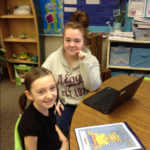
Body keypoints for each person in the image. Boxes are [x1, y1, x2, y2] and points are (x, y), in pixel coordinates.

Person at [42, 10, 102, 137]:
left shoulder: (92, 60)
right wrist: (52, 103)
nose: (72, 45)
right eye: (67, 40)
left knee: (90, 135)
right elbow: (41, 82)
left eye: (77, 41)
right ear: (63, 40)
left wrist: (84, 62)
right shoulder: (53, 59)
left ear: (85, 42)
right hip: (64, 104)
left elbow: (93, 87)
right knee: (57, 135)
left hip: (86, 103)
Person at [17, 67, 69, 150]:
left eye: (52, 88)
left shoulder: (49, 106)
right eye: (41, 92)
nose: (49, 96)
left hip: (54, 143)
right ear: (29, 95)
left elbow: (52, 124)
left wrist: (64, 140)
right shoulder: (30, 126)